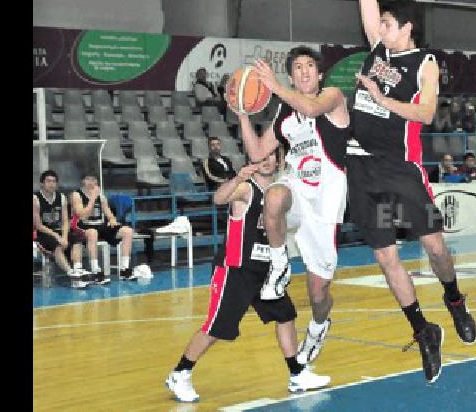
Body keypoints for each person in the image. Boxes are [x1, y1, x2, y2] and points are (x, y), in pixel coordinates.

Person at [350, 0, 476, 384]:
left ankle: (454, 298)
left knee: (435, 247)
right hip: (364, 170)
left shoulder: (424, 63)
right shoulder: (375, 49)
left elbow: (425, 114)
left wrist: (383, 101)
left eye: (387, 22)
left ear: (407, 28)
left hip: (401, 171)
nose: (379, 26)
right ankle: (424, 331)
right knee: (386, 257)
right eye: (379, 21)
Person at [165, 151, 331, 403]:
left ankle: (297, 374)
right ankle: (180, 372)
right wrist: (235, 179)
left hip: (266, 271)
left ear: (279, 160)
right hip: (236, 270)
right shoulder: (245, 189)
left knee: (285, 315)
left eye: (271, 156)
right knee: (216, 328)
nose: (266, 160)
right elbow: (219, 199)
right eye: (260, 157)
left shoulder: (281, 193)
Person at [235, 45, 350, 366]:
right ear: (292, 75)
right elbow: (258, 152)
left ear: (319, 72)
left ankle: (318, 326)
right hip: (297, 188)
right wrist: (243, 114)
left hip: (326, 201)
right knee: (273, 196)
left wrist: (274, 87)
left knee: (318, 292)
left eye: (309, 65)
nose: (304, 71)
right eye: (297, 67)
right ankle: (278, 263)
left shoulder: (333, 96)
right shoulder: (285, 114)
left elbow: (312, 110)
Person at [71, 174, 137, 281]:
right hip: (82, 226)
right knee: (93, 232)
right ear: (83, 181)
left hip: (100, 225)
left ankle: (125, 269)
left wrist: (112, 220)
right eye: (88, 179)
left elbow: (109, 214)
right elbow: (82, 215)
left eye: (93, 179)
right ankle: (95, 270)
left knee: (128, 231)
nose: (91, 182)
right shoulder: (76, 195)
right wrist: (92, 198)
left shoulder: (101, 197)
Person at [32, 170, 89, 286]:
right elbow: (38, 225)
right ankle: (72, 275)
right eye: (48, 181)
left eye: (54, 181)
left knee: (77, 239)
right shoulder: (35, 199)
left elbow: (65, 221)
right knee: (57, 245)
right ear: (42, 183)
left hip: (59, 231)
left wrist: (64, 236)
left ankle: (78, 269)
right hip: (43, 233)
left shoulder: (62, 197)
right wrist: (58, 237)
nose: (51, 184)